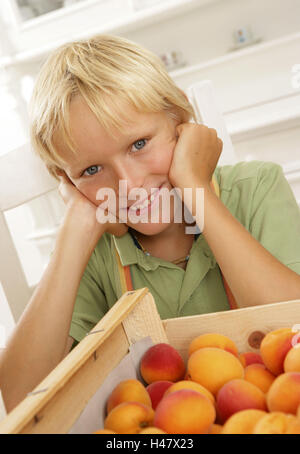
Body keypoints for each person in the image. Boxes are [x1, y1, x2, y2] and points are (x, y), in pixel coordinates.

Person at [1, 34, 300, 413]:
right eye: (91, 170)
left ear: (179, 119)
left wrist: (195, 189)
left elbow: (295, 328)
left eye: (139, 144)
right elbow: (21, 401)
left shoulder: (255, 188)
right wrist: (75, 231)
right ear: (67, 180)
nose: (128, 186)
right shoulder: (94, 249)